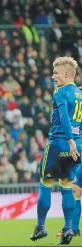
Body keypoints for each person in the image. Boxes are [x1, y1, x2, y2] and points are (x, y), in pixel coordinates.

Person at [29, 57, 81, 245]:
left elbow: (64, 118)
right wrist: (75, 141)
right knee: (67, 185)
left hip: (59, 143)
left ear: (67, 74)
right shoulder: (80, 94)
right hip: (78, 144)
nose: (53, 76)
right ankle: (67, 227)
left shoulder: (60, 93)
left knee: (45, 182)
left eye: (56, 73)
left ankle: (40, 227)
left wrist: (69, 140)